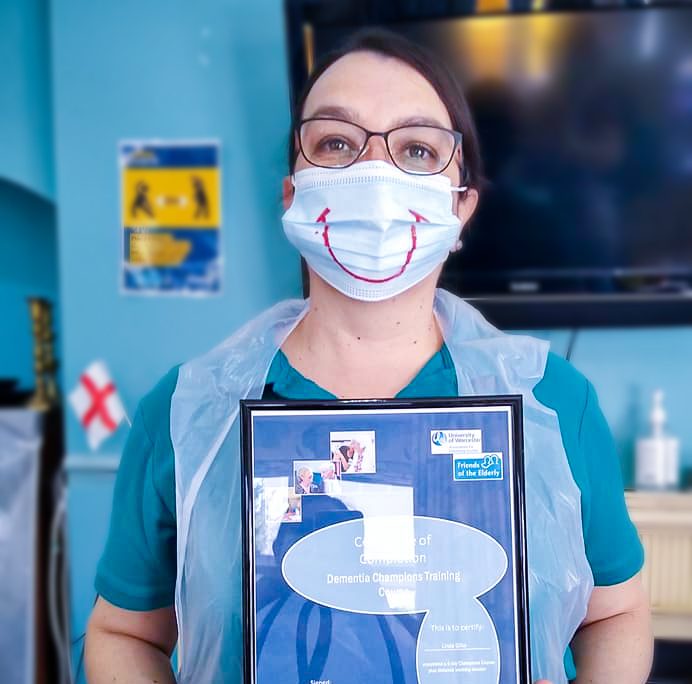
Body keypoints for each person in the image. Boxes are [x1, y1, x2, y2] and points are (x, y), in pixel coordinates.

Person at [85, 28, 652, 684]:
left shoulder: (554, 402)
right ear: (293, 194)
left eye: (416, 149)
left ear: (461, 206)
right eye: (336, 143)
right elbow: (123, 630)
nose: (374, 175)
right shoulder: (187, 415)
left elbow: (618, 613)